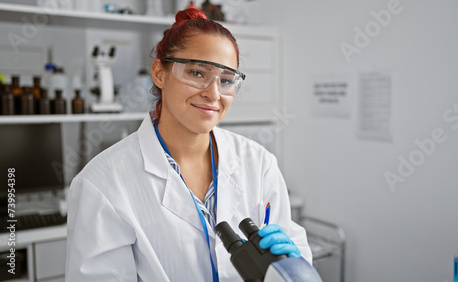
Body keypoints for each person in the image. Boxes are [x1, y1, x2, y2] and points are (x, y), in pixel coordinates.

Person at [65, 6, 312, 282]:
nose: (213, 94)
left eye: (227, 80)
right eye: (197, 73)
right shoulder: (102, 184)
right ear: (160, 73)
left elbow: (295, 253)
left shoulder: (260, 163)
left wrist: (292, 268)